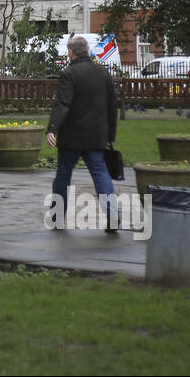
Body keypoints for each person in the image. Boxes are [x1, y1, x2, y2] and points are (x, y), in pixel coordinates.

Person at [46, 35, 119, 232]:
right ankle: (113, 216)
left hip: (71, 136)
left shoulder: (69, 73)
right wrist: (110, 135)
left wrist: (53, 128)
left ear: (71, 52)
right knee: (101, 174)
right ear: (87, 50)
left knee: (63, 175)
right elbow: (112, 106)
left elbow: (63, 103)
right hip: (96, 135)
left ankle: (57, 218)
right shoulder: (103, 72)